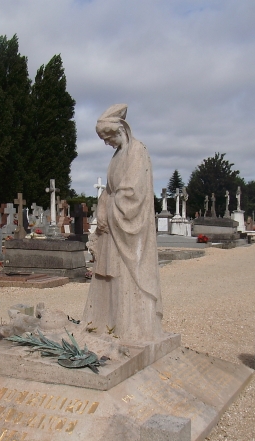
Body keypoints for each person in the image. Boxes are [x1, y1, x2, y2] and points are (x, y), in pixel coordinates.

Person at [82, 104, 164, 341]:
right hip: (111, 228)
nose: (107, 143)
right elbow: (109, 189)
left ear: (120, 130)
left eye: (108, 138)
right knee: (109, 275)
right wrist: (103, 207)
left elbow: (132, 192)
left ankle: (130, 327)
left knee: (125, 276)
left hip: (126, 225)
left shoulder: (138, 151)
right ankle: (105, 323)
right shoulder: (117, 155)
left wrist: (111, 207)